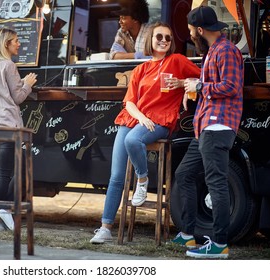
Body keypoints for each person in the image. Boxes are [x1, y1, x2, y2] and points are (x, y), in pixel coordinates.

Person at [90, 22, 201, 244]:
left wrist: (182, 85)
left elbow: (204, 77)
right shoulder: (140, 68)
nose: (163, 41)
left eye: (168, 38)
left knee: (132, 140)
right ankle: (105, 227)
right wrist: (141, 117)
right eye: (159, 36)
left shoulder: (176, 61)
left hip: (160, 121)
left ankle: (142, 179)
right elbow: (129, 102)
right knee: (116, 176)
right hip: (136, 118)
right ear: (150, 39)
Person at [171, 6, 244, 259]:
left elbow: (232, 87)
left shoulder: (226, 50)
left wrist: (200, 85)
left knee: (217, 184)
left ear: (200, 30)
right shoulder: (213, 50)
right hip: (205, 127)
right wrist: (191, 90)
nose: (190, 35)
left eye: (191, 30)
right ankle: (189, 234)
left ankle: (220, 244)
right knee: (184, 174)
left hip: (218, 126)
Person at [0, 28, 37, 231]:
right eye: (15, 41)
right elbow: (18, 98)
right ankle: (2, 211)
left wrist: (22, 83)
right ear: (6, 44)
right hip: (9, 126)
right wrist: (29, 84)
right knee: (15, 172)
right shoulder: (9, 65)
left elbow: (5, 93)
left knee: (2, 173)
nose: (19, 44)